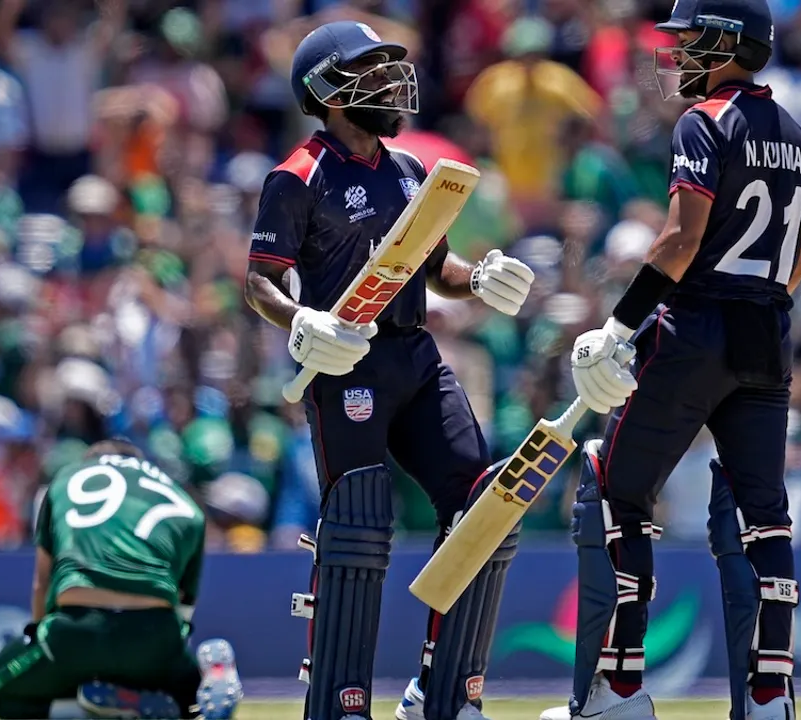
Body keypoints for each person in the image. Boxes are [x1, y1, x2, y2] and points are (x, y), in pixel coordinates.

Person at [243, 20, 535, 720]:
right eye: (369, 73)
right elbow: (259, 281)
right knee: (357, 524)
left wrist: (482, 277)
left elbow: (437, 269)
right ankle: (339, 700)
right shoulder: (296, 176)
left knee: (482, 506)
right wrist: (303, 321)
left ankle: (443, 694)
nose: (389, 85)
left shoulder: (408, 171)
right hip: (347, 365)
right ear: (328, 91)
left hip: (415, 354)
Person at [543, 2, 801, 720]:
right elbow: (799, 259)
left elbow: (679, 239)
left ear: (728, 42)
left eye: (693, 40)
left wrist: (617, 325)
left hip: (696, 326)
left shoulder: (704, 121)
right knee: (767, 517)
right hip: (768, 332)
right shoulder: (798, 137)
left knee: (614, 487)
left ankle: (623, 689)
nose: (681, 54)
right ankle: (768, 700)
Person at [0, 438, 243, 719]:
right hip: (154, 634)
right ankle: (203, 677)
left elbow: (41, 583)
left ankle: (113, 705)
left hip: (77, 630)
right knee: (186, 707)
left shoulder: (67, 479)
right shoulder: (183, 499)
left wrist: (43, 644)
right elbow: (183, 615)